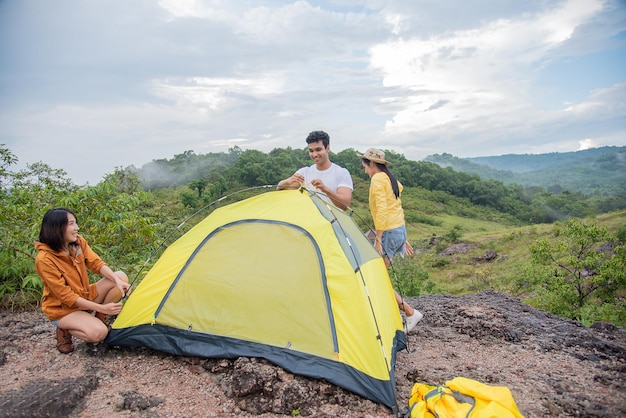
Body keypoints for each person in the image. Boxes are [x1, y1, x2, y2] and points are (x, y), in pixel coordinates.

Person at [35, 207, 131, 354]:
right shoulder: (44, 260)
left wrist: (117, 282)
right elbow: (67, 297)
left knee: (120, 276)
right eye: (71, 224)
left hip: (84, 295)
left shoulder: (78, 243)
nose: (77, 228)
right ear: (57, 228)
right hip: (62, 309)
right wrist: (102, 307)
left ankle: (100, 319)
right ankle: (64, 329)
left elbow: (96, 263)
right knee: (98, 334)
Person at [357, 148, 424, 333]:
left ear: (371, 164)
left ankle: (410, 312)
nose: (364, 170)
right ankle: (398, 312)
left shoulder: (377, 179)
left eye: (365, 166)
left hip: (387, 232)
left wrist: (378, 238)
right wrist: (403, 237)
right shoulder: (390, 179)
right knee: (380, 276)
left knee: (377, 278)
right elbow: (397, 208)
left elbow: (383, 210)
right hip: (397, 230)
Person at [277, 130, 353, 210]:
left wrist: (325, 189)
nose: (314, 154)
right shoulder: (304, 172)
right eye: (311, 151)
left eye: (318, 150)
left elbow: (345, 205)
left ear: (327, 148)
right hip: (309, 221)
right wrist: (286, 182)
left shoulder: (341, 173)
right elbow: (281, 190)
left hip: (332, 222)